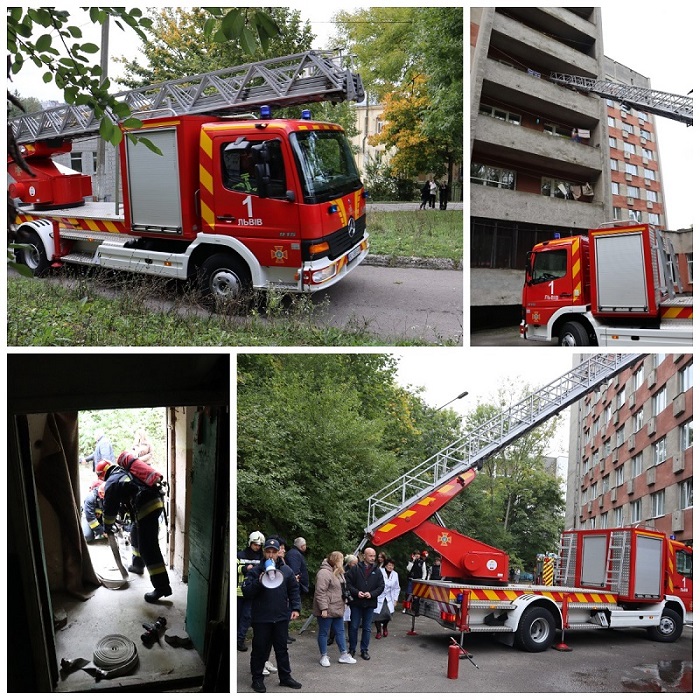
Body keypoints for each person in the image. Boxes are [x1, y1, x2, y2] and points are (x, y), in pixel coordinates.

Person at [100, 458, 170, 603]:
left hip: (146, 508)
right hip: (153, 502)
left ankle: (162, 587)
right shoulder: (122, 472)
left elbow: (109, 508)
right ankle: (138, 565)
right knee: (135, 533)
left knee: (148, 547)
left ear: (102, 475)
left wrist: (107, 526)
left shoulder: (112, 481)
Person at [242, 537, 302, 693]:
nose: (270, 555)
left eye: (274, 552)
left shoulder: (286, 571)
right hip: (262, 618)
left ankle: (285, 677)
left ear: (278, 553)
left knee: (282, 649)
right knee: (260, 649)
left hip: (281, 617)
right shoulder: (256, 571)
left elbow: (294, 591)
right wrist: (259, 582)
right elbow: (246, 592)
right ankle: (257, 679)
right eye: (268, 552)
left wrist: (295, 608)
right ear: (264, 552)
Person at [312, 551, 357, 667]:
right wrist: (323, 608)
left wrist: (345, 602)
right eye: (341, 559)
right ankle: (324, 655)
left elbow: (342, 588)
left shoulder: (338, 572)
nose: (342, 561)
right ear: (336, 560)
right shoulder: (324, 573)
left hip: (338, 607)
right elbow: (320, 592)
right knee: (324, 632)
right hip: (327, 608)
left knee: (340, 631)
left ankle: (344, 654)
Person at [345, 547, 384, 660]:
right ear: (364, 556)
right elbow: (348, 584)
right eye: (370, 556)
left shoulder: (377, 571)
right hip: (357, 603)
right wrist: (357, 592)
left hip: (370, 603)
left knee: (367, 628)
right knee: (353, 626)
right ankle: (352, 649)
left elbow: (381, 586)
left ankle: (364, 650)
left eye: (374, 556)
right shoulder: (355, 568)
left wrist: (371, 594)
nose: (373, 558)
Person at [237, 531, 265, 652]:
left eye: (259, 545)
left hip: (252, 593)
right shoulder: (240, 555)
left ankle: (240, 640)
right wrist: (244, 568)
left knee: (246, 617)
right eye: (255, 544)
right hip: (238, 592)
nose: (257, 547)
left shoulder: (262, 558)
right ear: (250, 543)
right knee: (237, 617)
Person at [81, 461, 109, 542]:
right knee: (87, 537)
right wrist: (102, 531)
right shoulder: (90, 499)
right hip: (90, 517)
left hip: (101, 518)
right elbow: (90, 518)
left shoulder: (109, 494)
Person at [373, 558, 400, 639]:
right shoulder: (379, 571)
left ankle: (385, 627)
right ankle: (378, 631)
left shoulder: (395, 574)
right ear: (385, 565)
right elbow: (374, 583)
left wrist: (395, 599)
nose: (390, 567)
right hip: (379, 596)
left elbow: (397, 588)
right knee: (377, 615)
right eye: (389, 565)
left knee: (388, 615)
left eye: (392, 565)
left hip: (389, 597)